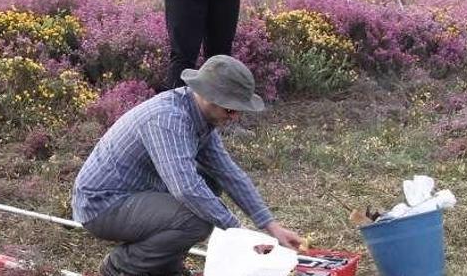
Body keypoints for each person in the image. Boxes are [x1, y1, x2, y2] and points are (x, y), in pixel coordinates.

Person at [71, 55, 302, 276]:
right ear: (207, 97)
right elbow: (186, 189)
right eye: (230, 110)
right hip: (102, 204)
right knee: (197, 218)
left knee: (210, 185)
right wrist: (239, 233)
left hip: (134, 194)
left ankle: (162, 265)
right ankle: (122, 266)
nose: (234, 118)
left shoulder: (198, 115)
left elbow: (228, 173)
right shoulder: (168, 120)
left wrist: (271, 226)